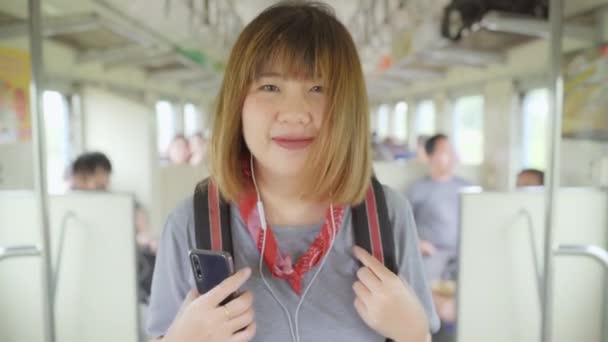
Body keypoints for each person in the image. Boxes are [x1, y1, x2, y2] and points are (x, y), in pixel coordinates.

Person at [147, 2, 439, 342]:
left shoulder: (387, 217)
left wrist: (416, 334)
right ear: (236, 104)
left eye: (318, 88)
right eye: (270, 87)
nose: (295, 112)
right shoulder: (190, 225)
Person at [406, 134, 471, 336]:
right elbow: (403, 227)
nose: (452, 157)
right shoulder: (418, 190)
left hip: (463, 253)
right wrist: (418, 243)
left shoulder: (468, 188)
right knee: (423, 291)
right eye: (445, 152)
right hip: (432, 253)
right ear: (430, 156)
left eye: (453, 152)